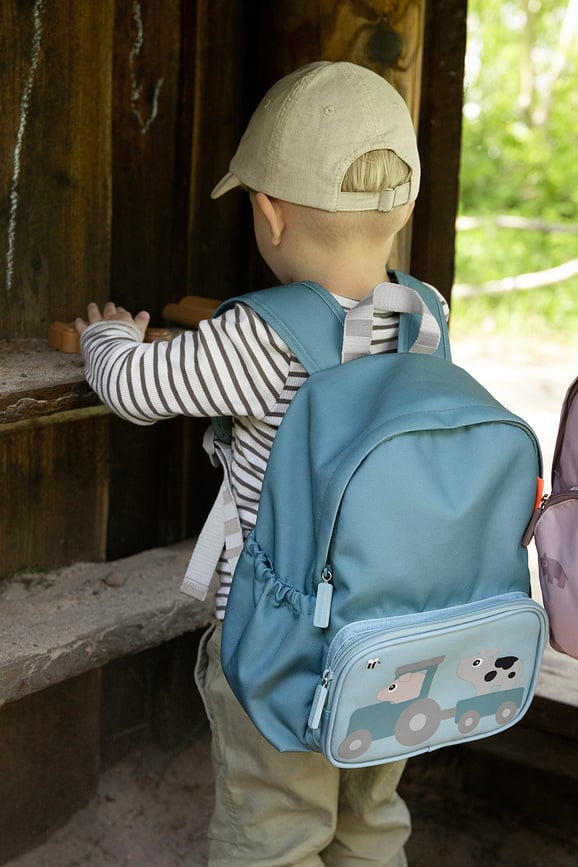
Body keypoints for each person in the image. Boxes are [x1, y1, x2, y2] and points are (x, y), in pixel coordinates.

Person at [76, 60, 448, 867]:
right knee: (371, 817)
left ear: (269, 215)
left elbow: (138, 389)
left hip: (285, 645)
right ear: (407, 206)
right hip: (395, 639)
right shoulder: (426, 318)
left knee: (274, 828)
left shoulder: (260, 337)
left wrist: (106, 335)